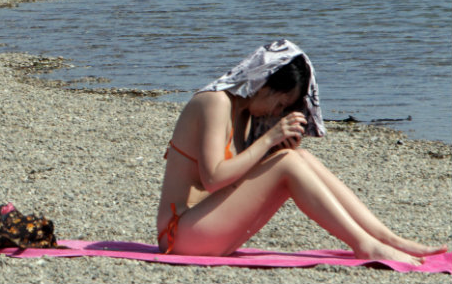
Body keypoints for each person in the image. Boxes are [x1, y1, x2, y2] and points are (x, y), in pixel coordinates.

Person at [156, 40, 446, 265]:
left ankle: (387, 238)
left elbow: (235, 181)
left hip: (208, 230)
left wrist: (274, 147)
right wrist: (269, 139)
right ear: (262, 83)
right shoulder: (215, 102)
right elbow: (213, 178)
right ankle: (364, 244)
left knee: (299, 158)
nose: (277, 112)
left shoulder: (244, 114)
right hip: (179, 234)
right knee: (288, 163)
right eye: (280, 104)